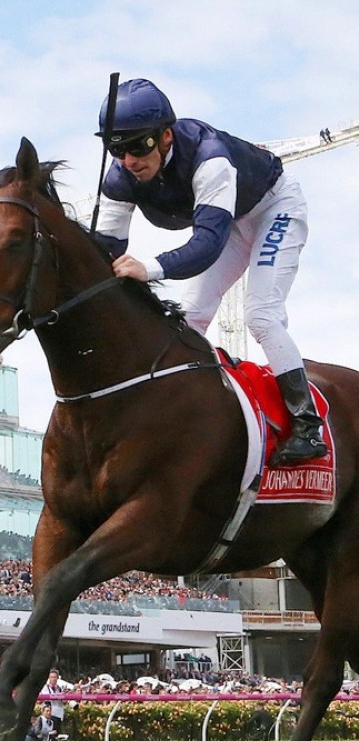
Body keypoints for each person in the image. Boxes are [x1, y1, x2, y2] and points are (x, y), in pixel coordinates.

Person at [93, 78, 326, 467]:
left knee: (261, 314)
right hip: (233, 222)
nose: (129, 160)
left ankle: (307, 426)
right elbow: (106, 250)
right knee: (189, 320)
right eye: (116, 149)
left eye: (139, 146)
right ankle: (178, 416)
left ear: (165, 137)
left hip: (274, 208)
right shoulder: (120, 179)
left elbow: (206, 246)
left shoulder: (209, 157)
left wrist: (147, 268)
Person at [38, 669, 66, 736]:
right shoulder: (45, 687)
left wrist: (64, 696)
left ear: (57, 678)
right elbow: (46, 697)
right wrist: (59, 696)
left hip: (59, 713)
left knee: (58, 732)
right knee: (51, 732)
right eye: (51, 677)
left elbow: (63, 701)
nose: (53, 679)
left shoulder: (59, 688)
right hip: (50, 713)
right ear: (49, 678)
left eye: (55, 677)